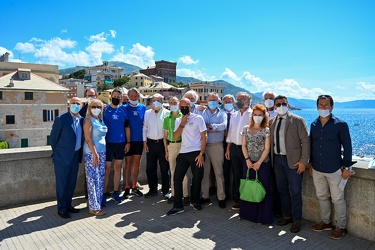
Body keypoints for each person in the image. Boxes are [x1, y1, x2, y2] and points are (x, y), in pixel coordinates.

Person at [309, 95, 354, 240]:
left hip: (335, 169)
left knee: (338, 199)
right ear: (317, 107)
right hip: (317, 168)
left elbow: (347, 146)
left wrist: (346, 167)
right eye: (321, 105)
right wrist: (310, 164)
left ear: (332, 107)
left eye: (326, 105)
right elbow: (311, 146)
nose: (323, 108)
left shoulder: (341, 124)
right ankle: (326, 222)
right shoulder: (314, 125)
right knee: (322, 196)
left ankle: (340, 226)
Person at [270, 95, 310, 233]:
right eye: (278, 104)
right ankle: (287, 215)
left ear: (288, 105)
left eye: (284, 103)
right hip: (277, 160)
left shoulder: (298, 120)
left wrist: (303, 161)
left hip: (293, 162)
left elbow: (306, 141)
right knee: (281, 190)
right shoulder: (272, 121)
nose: (281, 106)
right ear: (274, 107)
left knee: (295, 191)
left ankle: (297, 220)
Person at [167, 98, 207, 215]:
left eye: (187, 106)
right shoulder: (179, 120)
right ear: (180, 107)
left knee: (197, 178)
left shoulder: (198, 118)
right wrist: (182, 125)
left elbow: (204, 137)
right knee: (177, 178)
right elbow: (174, 136)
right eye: (182, 106)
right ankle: (178, 206)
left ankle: (195, 201)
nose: (184, 108)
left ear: (191, 107)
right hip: (183, 153)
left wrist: (201, 154)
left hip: (196, 153)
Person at [50, 97, 84, 219]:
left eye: (78, 103)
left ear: (81, 105)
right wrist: (60, 153)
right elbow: (53, 139)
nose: (75, 105)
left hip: (75, 156)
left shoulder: (82, 120)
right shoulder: (61, 119)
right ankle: (62, 209)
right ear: (69, 105)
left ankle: (69, 205)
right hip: (62, 157)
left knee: (71, 183)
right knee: (62, 184)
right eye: (73, 103)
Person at [240, 104, 272, 224]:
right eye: (255, 114)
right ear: (252, 115)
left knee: (262, 188)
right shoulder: (246, 128)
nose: (257, 117)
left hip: (262, 163)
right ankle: (248, 214)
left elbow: (267, 148)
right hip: (248, 162)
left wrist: (259, 162)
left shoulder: (266, 130)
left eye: (260, 115)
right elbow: (243, 145)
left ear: (264, 116)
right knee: (249, 187)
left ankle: (262, 217)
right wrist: (247, 160)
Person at [225, 92, 252, 211]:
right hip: (234, 148)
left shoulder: (252, 115)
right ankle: (237, 198)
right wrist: (228, 148)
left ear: (249, 101)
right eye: (238, 99)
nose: (240, 101)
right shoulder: (235, 115)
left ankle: (245, 200)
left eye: (243, 99)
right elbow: (231, 132)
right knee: (236, 175)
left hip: (246, 150)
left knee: (246, 175)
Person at [103, 89, 130, 204]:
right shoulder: (104, 110)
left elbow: (127, 128)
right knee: (107, 169)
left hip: (120, 143)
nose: (117, 98)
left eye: (119, 97)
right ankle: (103, 194)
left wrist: (128, 142)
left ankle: (115, 192)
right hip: (108, 143)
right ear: (111, 96)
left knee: (118, 168)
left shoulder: (123, 110)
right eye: (115, 96)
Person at [201, 92, 227, 208]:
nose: (212, 101)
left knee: (219, 172)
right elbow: (200, 125)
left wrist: (213, 127)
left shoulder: (222, 113)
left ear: (218, 101)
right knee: (205, 172)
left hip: (217, 145)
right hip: (204, 146)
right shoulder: (201, 112)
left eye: (214, 100)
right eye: (210, 99)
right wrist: (212, 127)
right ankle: (205, 196)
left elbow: (224, 125)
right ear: (207, 101)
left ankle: (221, 197)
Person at [163, 97, 190, 205]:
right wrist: (166, 151)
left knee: (185, 172)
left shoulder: (183, 115)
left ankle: (186, 194)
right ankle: (174, 194)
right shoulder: (166, 118)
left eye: (175, 102)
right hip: (172, 145)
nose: (173, 104)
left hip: (183, 145)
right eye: (171, 103)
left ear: (179, 104)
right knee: (173, 170)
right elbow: (165, 137)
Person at [143, 93, 170, 198]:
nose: (155, 102)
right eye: (153, 100)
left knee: (164, 169)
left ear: (162, 102)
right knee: (150, 168)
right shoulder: (147, 113)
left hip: (162, 144)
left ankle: (165, 191)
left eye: (158, 100)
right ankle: (152, 189)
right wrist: (144, 142)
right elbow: (145, 128)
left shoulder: (167, 113)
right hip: (150, 143)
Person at [83, 99, 107, 216]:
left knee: (100, 179)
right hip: (92, 153)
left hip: (102, 152)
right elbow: (88, 138)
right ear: (89, 108)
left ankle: (97, 203)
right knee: (92, 180)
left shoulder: (100, 120)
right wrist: (95, 153)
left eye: (99, 106)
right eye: (93, 106)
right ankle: (93, 207)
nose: (96, 108)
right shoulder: (88, 120)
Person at [124, 88, 147, 198]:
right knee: (128, 163)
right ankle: (126, 187)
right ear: (128, 97)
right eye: (131, 96)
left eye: (135, 96)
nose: (133, 98)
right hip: (127, 141)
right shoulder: (124, 108)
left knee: (137, 163)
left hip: (139, 140)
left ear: (138, 97)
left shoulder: (143, 108)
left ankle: (134, 186)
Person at [263, 91, 282, 217]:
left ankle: (277, 209)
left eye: (271, 98)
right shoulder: (260, 114)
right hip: (263, 155)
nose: (268, 100)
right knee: (264, 182)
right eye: (266, 98)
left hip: (275, 154)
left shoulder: (278, 114)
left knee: (276, 184)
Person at [222, 94, 236, 200]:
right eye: (226, 101)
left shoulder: (237, 115)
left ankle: (236, 195)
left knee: (236, 171)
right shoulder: (221, 114)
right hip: (221, 144)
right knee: (224, 171)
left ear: (234, 103)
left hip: (234, 145)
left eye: (230, 101)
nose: (228, 103)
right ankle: (225, 193)